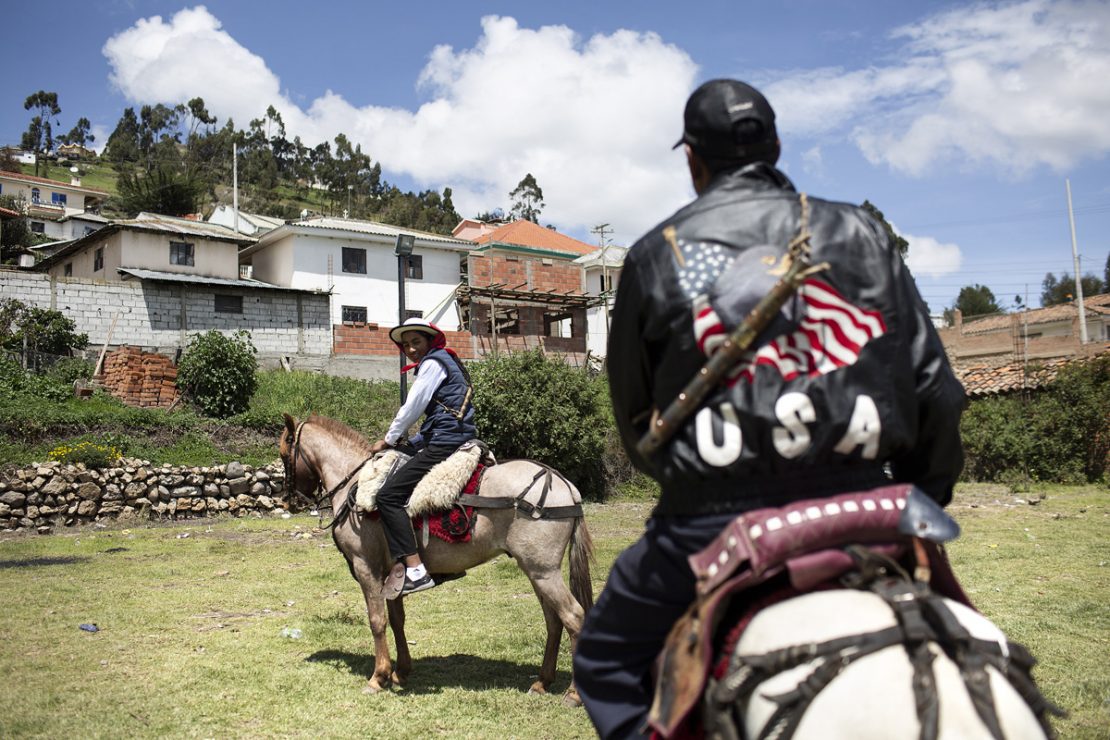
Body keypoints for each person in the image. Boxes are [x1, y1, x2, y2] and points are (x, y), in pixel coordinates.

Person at [572, 79, 967, 738]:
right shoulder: (863, 232)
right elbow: (937, 392)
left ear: (693, 161)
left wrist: (704, 470)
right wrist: (919, 496)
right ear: (776, 146)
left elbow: (638, 425)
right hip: (868, 510)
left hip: (711, 527)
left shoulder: (653, 255)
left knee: (606, 660)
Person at [370, 318, 477, 595]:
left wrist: (389, 439)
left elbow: (412, 407)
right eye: (406, 345)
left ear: (430, 341)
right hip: (451, 435)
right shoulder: (448, 362)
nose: (411, 349)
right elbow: (440, 417)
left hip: (445, 441)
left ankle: (416, 571)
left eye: (416, 342)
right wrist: (412, 443)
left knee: (387, 496)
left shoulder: (432, 364)